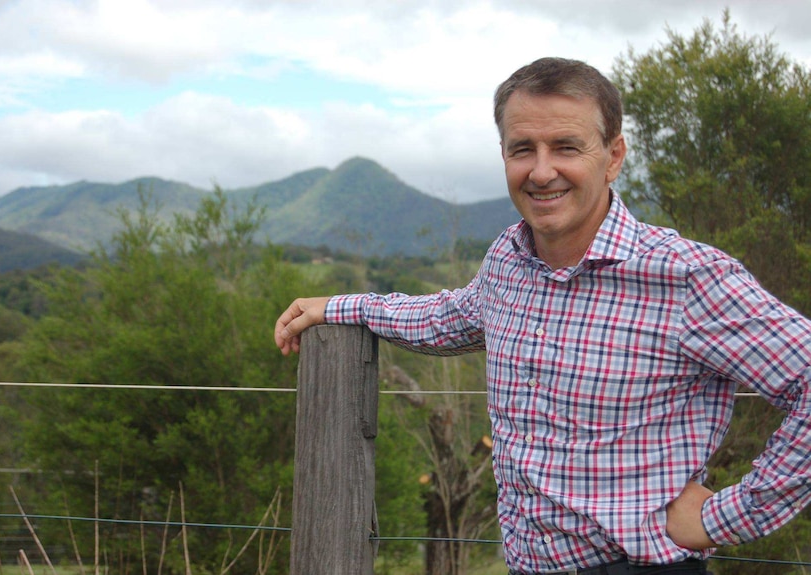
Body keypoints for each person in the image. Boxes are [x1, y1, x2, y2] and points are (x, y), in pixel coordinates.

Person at [274, 57, 811, 575]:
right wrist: (341, 306)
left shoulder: (687, 278)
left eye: (567, 147)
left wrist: (725, 516)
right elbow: (451, 315)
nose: (542, 170)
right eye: (522, 149)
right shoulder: (509, 260)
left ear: (614, 155)